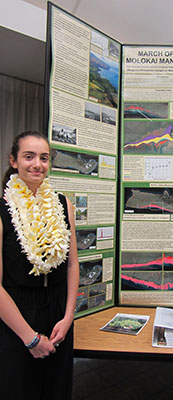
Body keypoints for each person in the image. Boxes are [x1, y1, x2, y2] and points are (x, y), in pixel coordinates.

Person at [0, 131, 79, 399]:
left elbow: (72, 265)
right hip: (17, 317)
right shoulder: (2, 209)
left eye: (44, 158)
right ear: (13, 160)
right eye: (29, 156)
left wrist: (68, 317)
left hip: (58, 313)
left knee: (57, 390)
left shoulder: (62, 203)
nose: (37, 164)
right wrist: (30, 338)